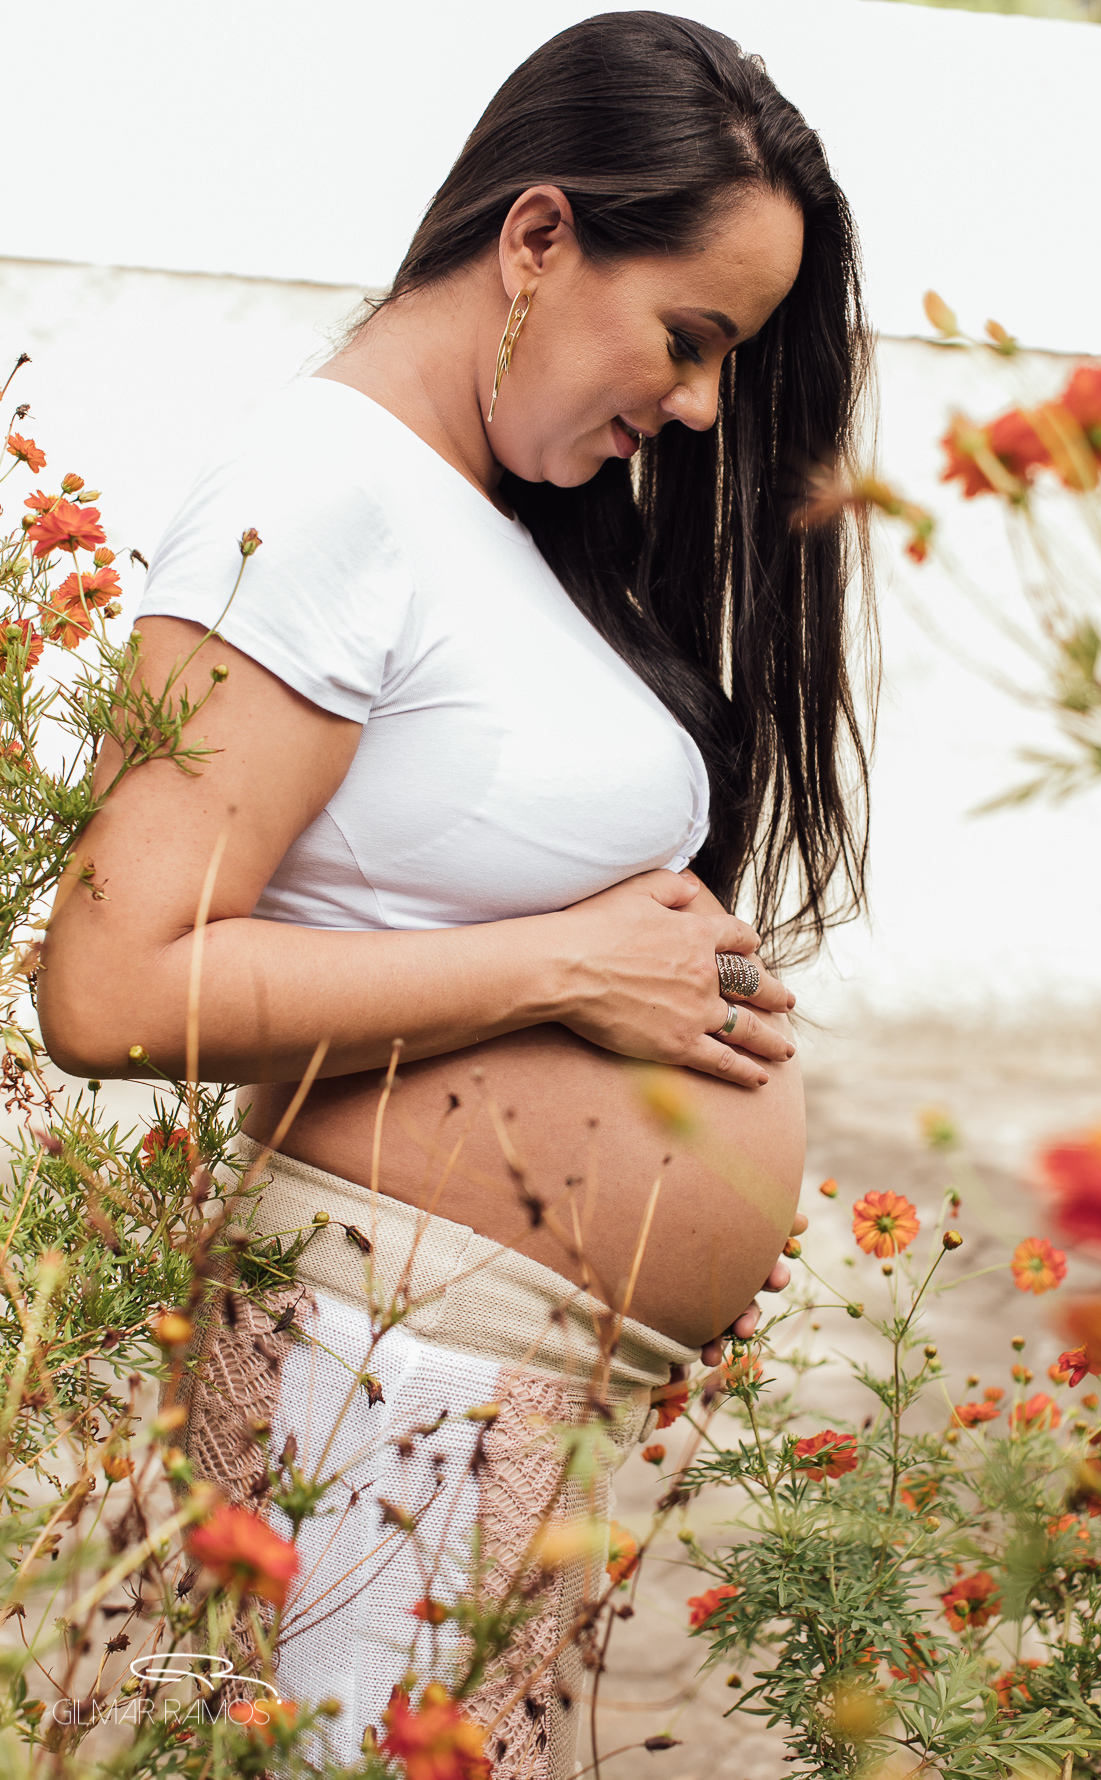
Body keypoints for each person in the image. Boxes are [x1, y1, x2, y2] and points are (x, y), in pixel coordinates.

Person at [41, 11, 871, 1772]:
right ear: (540, 236)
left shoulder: (486, 512)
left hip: (475, 1377)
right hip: (382, 1365)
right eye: (691, 336)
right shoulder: (319, 490)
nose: (703, 402)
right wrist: (566, 969)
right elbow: (109, 988)